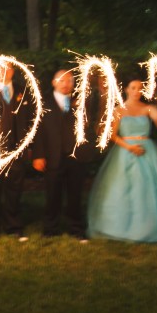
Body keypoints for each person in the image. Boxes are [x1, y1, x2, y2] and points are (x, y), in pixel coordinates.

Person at [87, 72, 157, 243]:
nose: (137, 91)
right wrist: (129, 147)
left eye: (140, 88)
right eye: (133, 88)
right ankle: (120, 227)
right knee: (123, 189)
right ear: (126, 89)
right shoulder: (119, 110)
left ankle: (150, 227)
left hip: (147, 151)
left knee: (149, 190)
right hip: (125, 152)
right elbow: (112, 135)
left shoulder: (147, 108)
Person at [32, 69, 97, 242]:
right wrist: (38, 155)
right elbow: (37, 131)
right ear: (54, 82)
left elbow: (90, 126)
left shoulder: (81, 101)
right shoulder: (43, 102)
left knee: (75, 194)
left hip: (77, 156)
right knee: (53, 194)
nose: (66, 83)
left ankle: (76, 229)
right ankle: (50, 229)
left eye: (70, 80)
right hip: (53, 156)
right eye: (62, 80)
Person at [0, 62, 36, 242]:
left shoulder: (22, 90)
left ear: (13, 70)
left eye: (8, 68)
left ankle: (13, 226)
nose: (5, 71)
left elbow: (30, 118)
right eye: (1, 68)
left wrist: (29, 145)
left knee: (14, 189)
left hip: (16, 149)